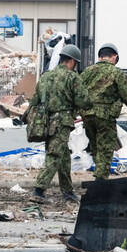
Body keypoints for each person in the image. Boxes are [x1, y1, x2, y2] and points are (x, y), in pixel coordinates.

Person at [30, 43, 90, 202]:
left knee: (63, 157)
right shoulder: (72, 77)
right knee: (54, 155)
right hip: (62, 122)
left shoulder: (45, 76)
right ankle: (38, 191)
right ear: (71, 61)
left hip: (45, 122)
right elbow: (84, 101)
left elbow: (34, 101)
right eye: (75, 64)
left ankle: (68, 192)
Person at [79, 43, 127, 179]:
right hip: (105, 117)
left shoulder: (87, 71)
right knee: (106, 149)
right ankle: (100, 183)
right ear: (114, 57)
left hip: (87, 116)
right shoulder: (116, 73)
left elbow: (77, 92)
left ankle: (98, 174)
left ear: (100, 57)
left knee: (95, 147)